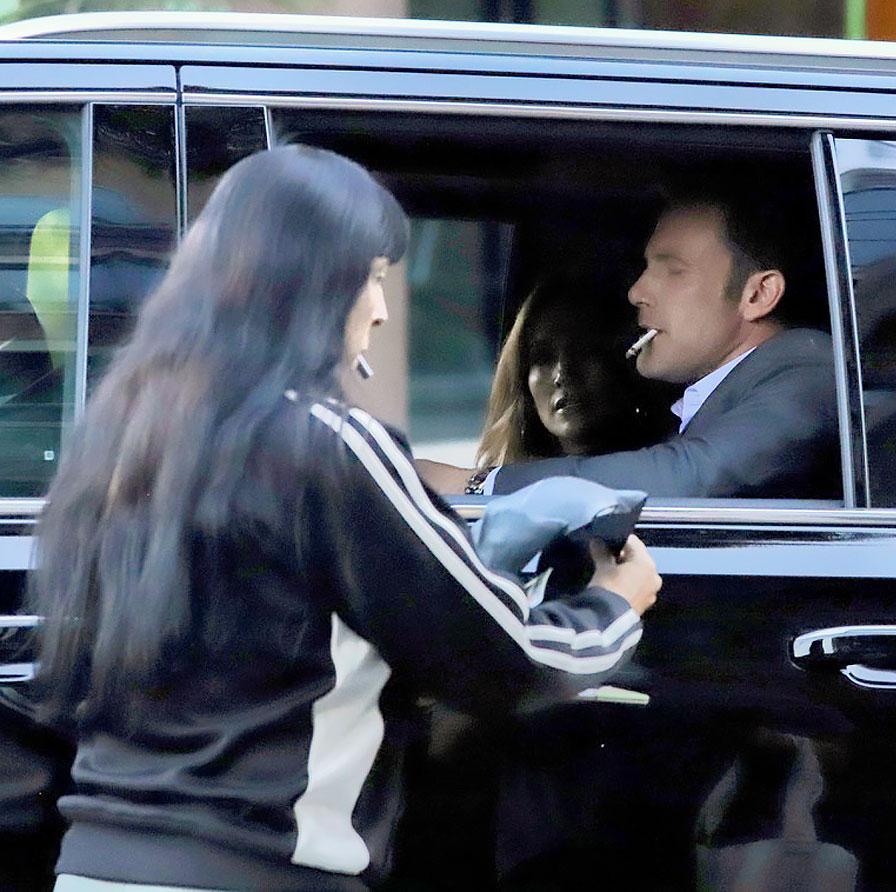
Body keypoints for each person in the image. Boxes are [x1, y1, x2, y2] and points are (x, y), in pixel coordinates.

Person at [25, 145, 661, 890]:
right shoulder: (328, 444)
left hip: (96, 864)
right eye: (374, 277)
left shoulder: (116, 439)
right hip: (258, 869)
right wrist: (615, 608)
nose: (384, 308)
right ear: (315, 285)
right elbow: (500, 655)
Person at [423, 187, 840, 500]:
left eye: (672, 271)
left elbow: (690, 477)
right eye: (645, 269)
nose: (637, 292)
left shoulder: (808, 367)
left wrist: (475, 484)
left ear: (757, 295)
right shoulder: (716, 399)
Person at [473, 270, 675, 467]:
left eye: (584, 350)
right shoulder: (500, 492)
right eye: (542, 358)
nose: (563, 373)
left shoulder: (673, 469)